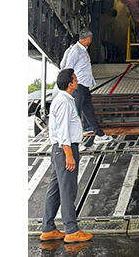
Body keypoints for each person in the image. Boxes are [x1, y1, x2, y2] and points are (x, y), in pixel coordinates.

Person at [39, 69, 93, 243]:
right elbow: (63, 131)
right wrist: (69, 154)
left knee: (54, 190)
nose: (77, 81)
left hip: (59, 150)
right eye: (75, 79)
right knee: (68, 190)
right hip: (65, 149)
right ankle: (71, 230)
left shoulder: (62, 100)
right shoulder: (64, 102)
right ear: (70, 84)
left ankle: (48, 228)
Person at [60, 30, 112, 143]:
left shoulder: (82, 50)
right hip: (79, 86)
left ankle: (99, 134)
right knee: (75, 112)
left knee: (88, 110)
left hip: (84, 85)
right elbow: (68, 68)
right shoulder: (75, 51)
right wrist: (71, 85)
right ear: (88, 38)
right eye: (90, 39)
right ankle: (71, 141)